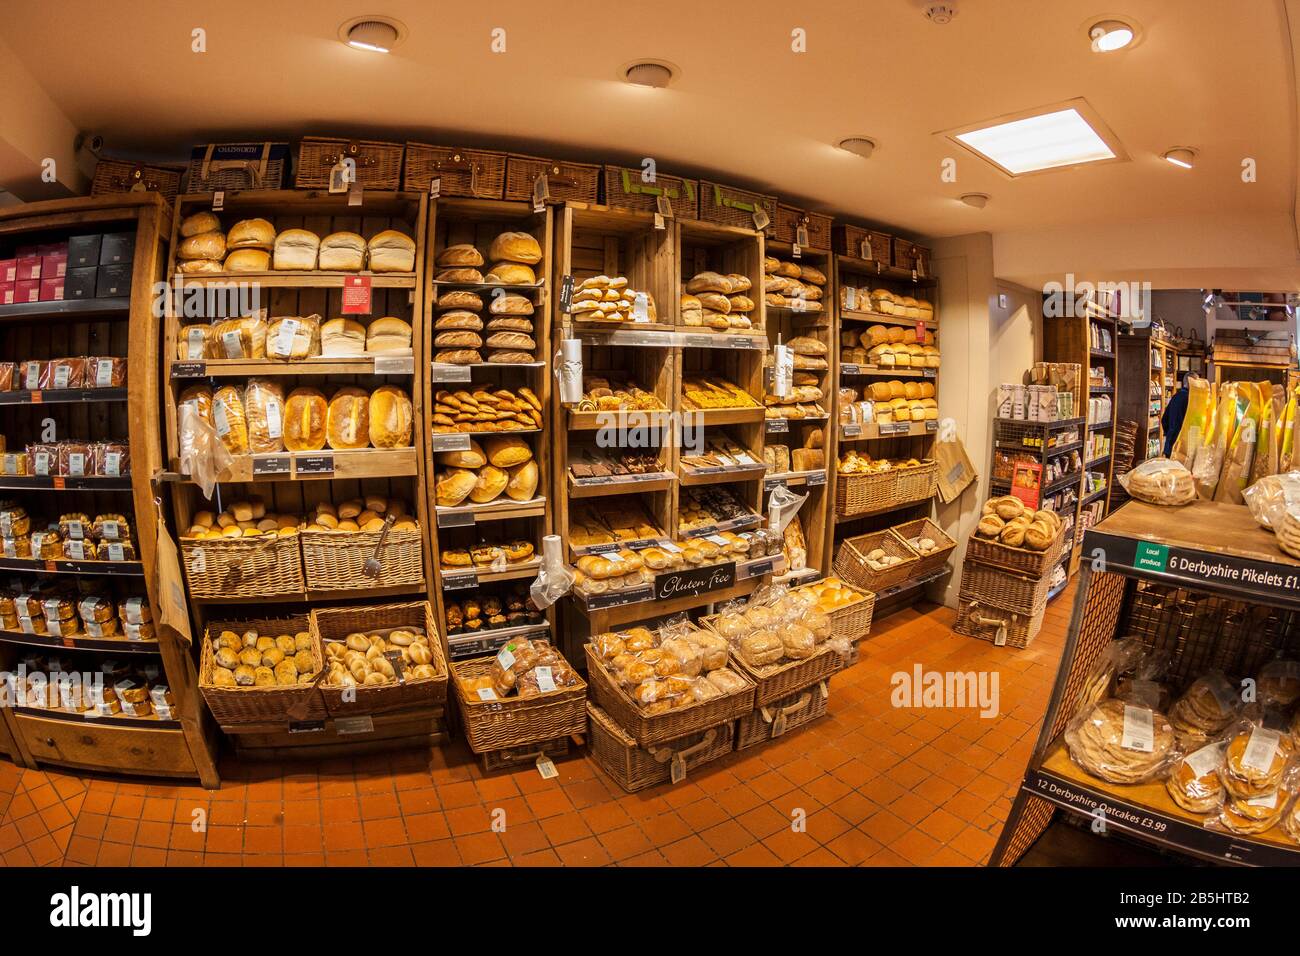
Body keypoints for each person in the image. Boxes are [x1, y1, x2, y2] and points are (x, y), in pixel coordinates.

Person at [1162, 371, 1189, 457]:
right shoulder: (1191, 399)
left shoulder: (1175, 396)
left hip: (1170, 444)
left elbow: (1164, 419)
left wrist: (1169, 433)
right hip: (1182, 448)